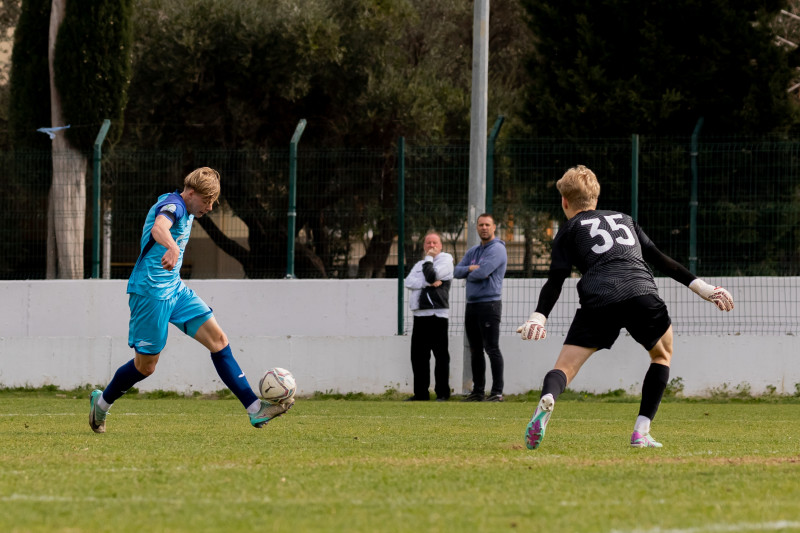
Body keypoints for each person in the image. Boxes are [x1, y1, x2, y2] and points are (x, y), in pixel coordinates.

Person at [517, 165, 734, 449]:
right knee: (661, 355)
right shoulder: (625, 220)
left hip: (599, 298)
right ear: (596, 197)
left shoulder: (568, 230)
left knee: (565, 368)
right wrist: (703, 288)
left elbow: (555, 280)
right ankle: (641, 432)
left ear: (564, 201)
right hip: (640, 292)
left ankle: (548, 400)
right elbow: (659, 258)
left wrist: (539, 316)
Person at [89, 167, 293, 433]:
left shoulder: (186, 208)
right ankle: (101, 404)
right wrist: (172, 247)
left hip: (175, 290)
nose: (209, 207)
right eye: (207, 201)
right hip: (150, 294)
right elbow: (160, 227)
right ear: (191, 193)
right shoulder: (172, 205)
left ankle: (255, 410)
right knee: (146, 367)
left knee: (219, 341)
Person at [454, 213, 508, 402]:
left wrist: (474, 270)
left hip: (489, 304)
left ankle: (497, 392)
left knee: (491, 348)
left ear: (494, 227)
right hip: (472, 305)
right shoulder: (473, 252)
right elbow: (456, 271)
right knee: (475, 349)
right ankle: (478, 391)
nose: (484, 228)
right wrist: (470, 269)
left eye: (487, 224)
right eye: (480, 225)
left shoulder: (498, 249)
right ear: (476, 228)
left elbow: (484, 271)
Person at [404, 231, 454, 401]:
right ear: (424, 246)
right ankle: (421, 394)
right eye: (428, 243)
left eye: (435, 243)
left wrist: (429, 264)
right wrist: (426, 283)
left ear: (441, 246)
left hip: (437, 315)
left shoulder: (446, 260)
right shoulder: (420, 263)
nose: (431, 246)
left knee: (440, 356)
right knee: (418, 357)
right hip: (420, 316)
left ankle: (442, 393)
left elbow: (433, 274)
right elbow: (409, 282)